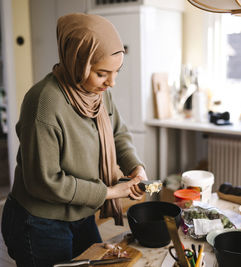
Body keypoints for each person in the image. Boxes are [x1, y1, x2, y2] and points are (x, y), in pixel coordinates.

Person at [1, 13, 148, 266]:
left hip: (82, 212)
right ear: (78, 62)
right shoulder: (44, 103)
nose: (111, 82)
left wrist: (136, 168)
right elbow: (44, 182)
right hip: (40, 222)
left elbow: (118, 133)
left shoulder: (97, 93)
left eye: (116, 72)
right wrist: (111, 192)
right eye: (103, 73)